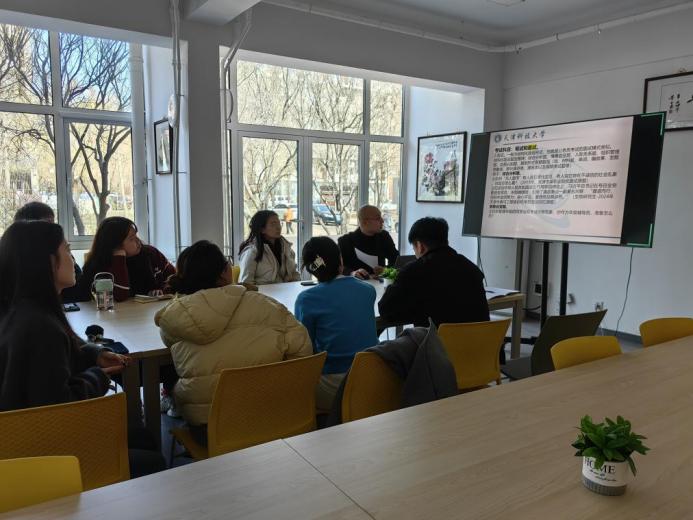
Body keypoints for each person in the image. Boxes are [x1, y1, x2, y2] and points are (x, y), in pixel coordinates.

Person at [0, 220, 164, 477]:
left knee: (141, 437)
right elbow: (61, 408)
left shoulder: (24, 310)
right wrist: (98, 376)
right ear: (47, 262)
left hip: (20, 440)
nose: (73, 257)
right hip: (44, 454)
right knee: (151, 458)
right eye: (67, 250)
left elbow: (59, 357)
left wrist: (94, 354)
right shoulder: (40, 327)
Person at [156, 240, 312, 441]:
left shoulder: (175, 318)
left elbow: (172, 348)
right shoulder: (265, 304)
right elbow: (303, 349)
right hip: (275, 418)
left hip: (212, 429)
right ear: (224, 273)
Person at [295, 237, 378, 410]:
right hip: (371, 376)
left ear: (309, 268)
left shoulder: (306, 300)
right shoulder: (368, 290)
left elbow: (305, 348)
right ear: (340, 259)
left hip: (333, 383)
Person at [379, 217, 489, 328]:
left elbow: (385, 310)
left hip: (436, 339)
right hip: (480, 337)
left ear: (420, 246)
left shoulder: (415, 270)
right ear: (446, 241)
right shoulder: (470, 267)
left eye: (414, 248)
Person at [77, 217, 175, 302]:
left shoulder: (150, 253)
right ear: (115, 244)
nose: (138, 240)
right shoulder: (99, 265)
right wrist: (119, 258)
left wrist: (162, 290)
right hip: (117, 316)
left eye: (136, 235)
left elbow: (176, 280)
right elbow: (120, 296)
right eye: (131, 238)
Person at [13, 201, 82, 303]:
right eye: (47, 224)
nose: (53, 229)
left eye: (53, 223)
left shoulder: (61, 253)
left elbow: (79, 284)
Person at [238, 210, 301, 285]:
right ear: (262, 229)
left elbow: (294, 274)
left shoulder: (286, 247)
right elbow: (246, 283)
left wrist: (297, 285)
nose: (278, 227)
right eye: (273, 224)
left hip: (286, 290)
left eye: (279, 223)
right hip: (262, 292)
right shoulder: (252, 251)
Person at [338, 205, 399, 280]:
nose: (382, 221)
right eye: (378, 218)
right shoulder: (345, 241)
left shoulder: (384, 236)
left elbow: (396, 260)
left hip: (380, 283)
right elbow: (337, 266)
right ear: (365, 222)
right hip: (354, 284)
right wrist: (352, 273)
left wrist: (385, 270)